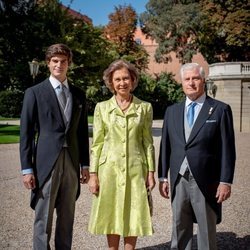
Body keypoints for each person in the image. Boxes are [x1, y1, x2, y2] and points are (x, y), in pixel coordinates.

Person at [158, 63, 236, 250]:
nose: (191, 82)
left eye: (196, 78)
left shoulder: (219, 109)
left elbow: (228, 148)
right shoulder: (172, 111)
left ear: (203, 81)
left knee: (206, 229)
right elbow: (165, 146)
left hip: (206, 179)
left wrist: (225, 181)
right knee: (179, 226)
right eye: (187, 79)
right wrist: (162, 176)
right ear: (181, 82)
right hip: (178, 177)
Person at [19, 43, 90, 250]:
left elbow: (81, 132)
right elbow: (27, 134)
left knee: (68, 214)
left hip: (71, 161)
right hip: (46, 162)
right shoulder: (34, 93)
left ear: (69, 64)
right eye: (55, 61)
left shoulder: (78, 94)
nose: (59, 65)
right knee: (44, 215)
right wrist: (27, 169)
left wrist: (84, 164)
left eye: (63, 61)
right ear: (48, 64)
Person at [88, 59, 155, 250]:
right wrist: (93, 175)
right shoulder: (101, 108)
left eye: (126, 78)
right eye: (117, 79)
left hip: (136, 168)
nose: (122, 83)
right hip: (108, 169)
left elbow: (148, 143)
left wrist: (151, 172)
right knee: (111, 211)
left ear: (133, 80)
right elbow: (97, 144)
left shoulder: (145, 107)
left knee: (134, 211)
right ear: (111, 82)